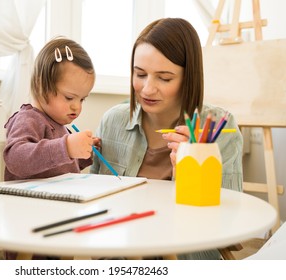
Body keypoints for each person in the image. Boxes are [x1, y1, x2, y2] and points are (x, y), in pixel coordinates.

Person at [90, 18, 243, 260]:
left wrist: (190, 172)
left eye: (164, 78)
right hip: (119, 253)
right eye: (140, 74)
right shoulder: (113, 121)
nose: (147, 89)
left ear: (188, 77)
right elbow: (93, 201)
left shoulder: (217, 127)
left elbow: (229, 224)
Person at [3, 37, 98, 182]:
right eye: (69, 97)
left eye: (82, 99)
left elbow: (57, 166)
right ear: (41, 85)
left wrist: (84, 152)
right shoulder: (28, 119)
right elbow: (16, 159)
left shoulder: (60, 126)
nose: (77, 107)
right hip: (27, 203)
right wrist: (66, 147)